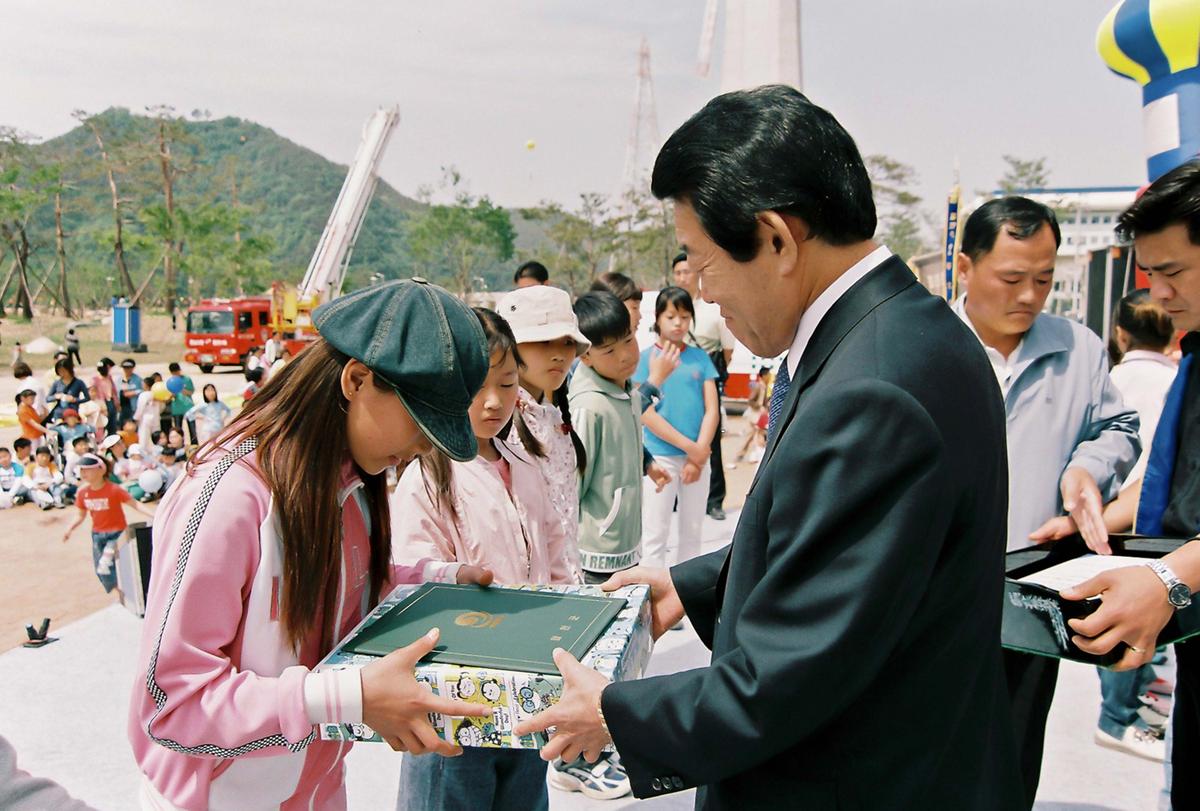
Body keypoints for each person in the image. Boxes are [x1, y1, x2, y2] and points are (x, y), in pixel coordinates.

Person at [515, 85, 1022, 809]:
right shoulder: (904, 334)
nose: (700, 292)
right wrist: (692, 586)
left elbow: (797, 669)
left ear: (777, 239)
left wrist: (617, 714)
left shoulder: (872, 390)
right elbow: (843, 553)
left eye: (701, 261)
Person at [127, 278, 495, 810]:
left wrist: (437, 582)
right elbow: (172, 704)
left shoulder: (350, 481)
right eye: (421, 421)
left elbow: (348, 586)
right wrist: (347, 697)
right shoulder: (232, 496)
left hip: (315, 790)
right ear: (357, 380)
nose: (423, 447)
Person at [952, 197, 1141, 803]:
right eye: (1012, 279)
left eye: (1044, 279)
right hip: (933, 596)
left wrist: (1087, 468)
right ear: (964, 267)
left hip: (1031, 596)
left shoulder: (1078, 350)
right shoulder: (924, 347)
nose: (1030, 296)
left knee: (1011, 751)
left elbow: (1119, 427)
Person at [1060, 159, 1200, 808]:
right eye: (1150, 275)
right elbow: (1178, 488)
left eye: (1172, 272)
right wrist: (1092, 520)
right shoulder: (1193, 357)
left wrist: (1167, 579)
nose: (1159, 294)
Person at [391, 307, 566, 810]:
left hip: (528, 688)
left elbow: (555, 554)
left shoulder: (524, 464)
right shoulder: (427, 476)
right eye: (476, 387)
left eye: (507, 384)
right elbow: (415, 585)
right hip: (455, 701)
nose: (494, 401)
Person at [1091, 289, 1178, 760]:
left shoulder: (1109, 379)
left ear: (1120, 334)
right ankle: (1123, 718)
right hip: (1160, 525)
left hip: (1108, 519)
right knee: (1153, 626)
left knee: (1118, 621)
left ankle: (1119, 715)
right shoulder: (1178, 379)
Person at [497, 284, 591, 582]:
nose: (559, 354)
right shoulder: (498, 426)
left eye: (567, 342)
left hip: (565, 579)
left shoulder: (552, 417)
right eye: (543, 341)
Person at [635, 286, 720, 570]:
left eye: (684, 317)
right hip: (659, 457)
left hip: (697, 458)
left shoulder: (700, 358)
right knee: (655, 533)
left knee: (692, 533)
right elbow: (643, 412)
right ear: (658, 318)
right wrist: (692, 449)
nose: (678, 323)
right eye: (671, 316)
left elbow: (712, 409)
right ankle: (651, 590)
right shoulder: (646, 359)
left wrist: (698, 455)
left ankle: (685, 592)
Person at [671, 252, 736, 520]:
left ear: (697, 273)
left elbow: (727, 350)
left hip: (707, 381)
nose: (682, 277)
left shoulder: (712, 308)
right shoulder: (668, 308)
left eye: (687, 271)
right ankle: (676, 496)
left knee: (711, 439)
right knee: (675, 436)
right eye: (678, 273)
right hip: (675, 382)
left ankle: (714, 500)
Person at [62, 453, 153, 597]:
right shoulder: (83, 493)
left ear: (101, 470)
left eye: (87, 469)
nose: (83, 473)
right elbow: (80, 515)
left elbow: (134, 504)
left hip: (117, 534)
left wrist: (154, 515)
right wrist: (69, 529)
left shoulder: (114, 489)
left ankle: (127, 594)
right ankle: (120, 593)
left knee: (107, 565)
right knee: (101, 570)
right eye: (81, 469)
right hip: (97, 536)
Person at [23, 446, 65, 510]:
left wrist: (48, 484)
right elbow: (26, 479)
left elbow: (59, 476)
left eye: (47, 456)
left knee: (56, 488)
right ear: (36, 457)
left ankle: (57, 501)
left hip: (49, 484)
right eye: (42, 456)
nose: (45, 458)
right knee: (34, 493)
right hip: (37, 486)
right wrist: (36, 486)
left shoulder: (51, 465)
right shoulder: (31, 466)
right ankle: (43, 503)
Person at [166, 362, 195, 442]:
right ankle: (179, 443)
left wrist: (182, 389)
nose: (176, 374)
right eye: (174, 373)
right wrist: (172, 395)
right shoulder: (170, 382)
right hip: (177, 408)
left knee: (192, 428)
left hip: (188, 406)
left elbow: (191, 392)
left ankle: (194, 444)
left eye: (177, 372)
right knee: (178, 429)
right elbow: (168, 397)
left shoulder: (187, 379)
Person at [133, 377, 163, 453]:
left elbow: (140, 408)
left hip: (145, 419)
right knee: (156, 437)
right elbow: (162, 407)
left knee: (144, 438)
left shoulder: (143, 395)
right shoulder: (157, 394)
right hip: (156, 418)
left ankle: (143, 453)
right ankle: (157, 452)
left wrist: (136, 418)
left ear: (146, 385)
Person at [92, 359, 119, 434]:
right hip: (101, 404)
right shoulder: (95, 379)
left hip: (110, 402)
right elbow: (92, 392)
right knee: (103, 424)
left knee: (112, 423)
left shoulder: (109, 377)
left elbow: (113, 390)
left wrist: (116, 401)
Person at [117, 359, 142, 425]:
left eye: (129, 368)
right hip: (122, 409)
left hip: (133, 407)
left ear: (133, 368)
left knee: (132, 426)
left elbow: (143, 390)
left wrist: (134, 393)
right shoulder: (119, 379)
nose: (127, 370)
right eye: (125, 368)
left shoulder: (138, 379)